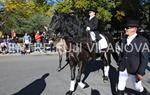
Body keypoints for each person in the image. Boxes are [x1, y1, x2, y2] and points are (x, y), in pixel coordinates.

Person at [117, 19, 149, 95]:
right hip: (123, 68)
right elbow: (122, 53)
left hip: (134, 69)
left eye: (127, 27)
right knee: (120, 86)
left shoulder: (142, 40)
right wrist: (119, 62)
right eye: (125, 27)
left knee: (138, 87)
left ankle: (144, 92)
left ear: (134, 29)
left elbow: (144, 58)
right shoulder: (124, 40)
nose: (125, 29)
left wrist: (141, 72)